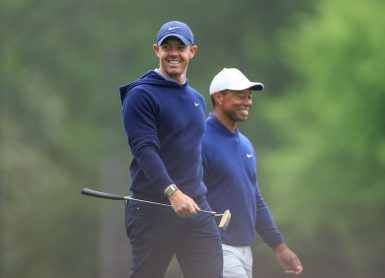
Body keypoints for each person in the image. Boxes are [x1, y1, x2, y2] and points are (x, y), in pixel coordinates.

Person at [118, 21, 223, 278]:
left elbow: (192, 153)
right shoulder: (141, 95)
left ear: (192, 51)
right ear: (156, 50)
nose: (173, 53)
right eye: (167, 47)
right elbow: (144, 149)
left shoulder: (197, 100)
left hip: (196, 208)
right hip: (152, 210)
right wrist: (172, 192)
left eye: (180, 47)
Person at [202, 68, 303, 278]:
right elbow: (190, 195)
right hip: (216, 247)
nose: (248, 102)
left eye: (249, 96)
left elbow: (254, 199)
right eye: (240, 96)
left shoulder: (245, 145)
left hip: (245, 252)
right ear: (218, 97)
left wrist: (279, 247)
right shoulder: (201, 140)